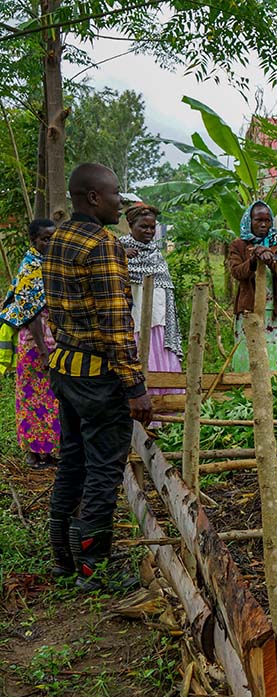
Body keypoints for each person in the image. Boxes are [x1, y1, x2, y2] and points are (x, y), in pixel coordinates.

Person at [42, 162, 153, 590]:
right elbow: (116, 324)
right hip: (97, 378)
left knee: (72, 462)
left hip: (65, 370)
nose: (119, 201)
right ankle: (93, 569)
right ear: (93, 197)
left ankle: (63, 559)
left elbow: (56, 311)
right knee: (104, 469)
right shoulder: (103, 246)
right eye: (114, 194)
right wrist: (135, 387)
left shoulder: (57, 238)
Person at [0, 219, 60, 468]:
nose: (50, 243)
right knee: (30, 398)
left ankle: (48, 450)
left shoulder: (49, 264)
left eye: (53, 238)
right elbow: (31, 315)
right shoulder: (31, 269)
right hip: (36, 345)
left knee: (51, 399)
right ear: (33, 241)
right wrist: (43, 351)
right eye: (45, 239)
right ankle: (33, 453)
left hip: (52, 342)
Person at [120, 203, 183, 392]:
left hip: (160, 323)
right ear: (131, 225)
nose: (149, 231)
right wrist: (121, 257)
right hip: (133, 322)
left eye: (152, 227)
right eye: (143, 227)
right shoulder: (118, 249)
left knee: (161, 362)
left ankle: (165, 402)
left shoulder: (156, 253)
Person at [228, 200, 277, 371]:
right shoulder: (238, 245)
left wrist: (269, 258)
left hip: (274, 308)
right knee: (247, 348)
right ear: (250, 221)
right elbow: (237, 272)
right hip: (249, 308)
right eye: (258, 220)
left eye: (267, 220)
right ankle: (245, 385)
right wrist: (253, 260)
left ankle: (275, 385)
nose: (263, 224)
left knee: (273, 349)